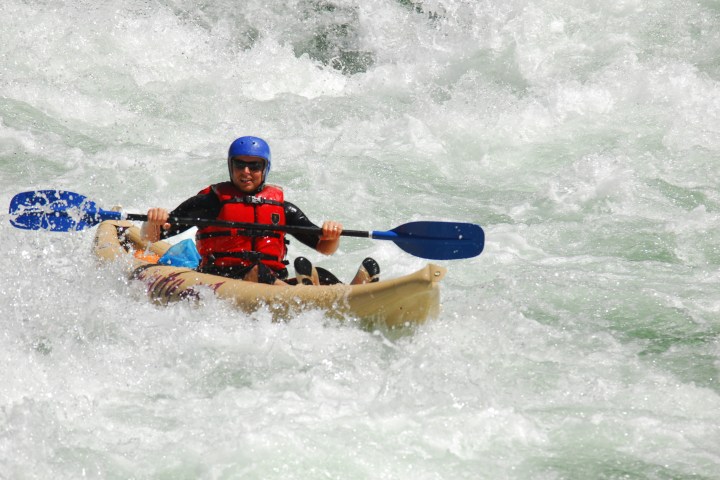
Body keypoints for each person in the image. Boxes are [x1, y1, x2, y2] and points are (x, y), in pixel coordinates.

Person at [141, 136, 379, 286]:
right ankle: (301, 293)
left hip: (270, 277)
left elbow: (324, 248)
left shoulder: (282, 208)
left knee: (323, 273)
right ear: (230, 166)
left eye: (254, 166)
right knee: (259, 272)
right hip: (222, 278)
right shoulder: (210, 202)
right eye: (240, 164)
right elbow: (151, 238)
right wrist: (154, 221)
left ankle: (353, 290)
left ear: (265, 168)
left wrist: (331, 235)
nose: (246, 171)